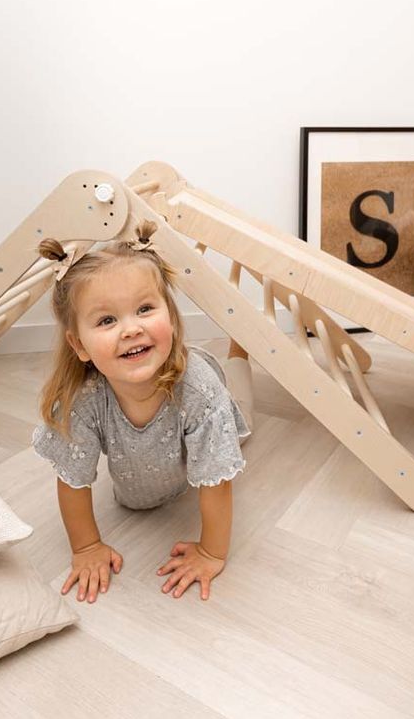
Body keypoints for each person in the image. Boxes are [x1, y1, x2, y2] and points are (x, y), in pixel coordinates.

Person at [32, 220, 250, 604]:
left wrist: (211, 552)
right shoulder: (83, 401)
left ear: (170, 314)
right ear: (78, 344)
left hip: (212, 396)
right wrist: (86, 547)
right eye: (107, 320)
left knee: (244, 401)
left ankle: (239, 350)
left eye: (145, 309)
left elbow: (217, 483)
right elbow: (72, 480)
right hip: (144, 484)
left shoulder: (201, 394)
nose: (131, 329)